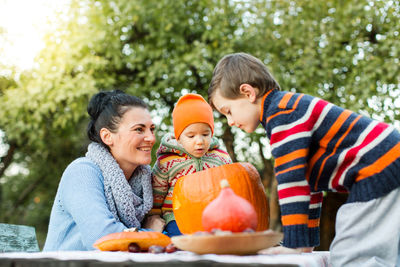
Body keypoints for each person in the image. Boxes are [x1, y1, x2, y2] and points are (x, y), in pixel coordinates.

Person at [207, 52, 400, 266]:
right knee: (379, 251)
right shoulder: (285, 110)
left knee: (351, 257)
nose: (231, 121)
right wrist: (305, 244)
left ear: (247, 93)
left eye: (228, 111)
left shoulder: (283, 114)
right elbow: (310, 184)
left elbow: (292, 181)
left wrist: (292, 243)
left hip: (379, 165)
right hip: (387, 160)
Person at [43, 90, 163, 251]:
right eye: (139, 130)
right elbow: (101, 238)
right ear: (107, 137)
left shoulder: (145, 182)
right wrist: (151, 233)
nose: (151, 138)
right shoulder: (82, 172)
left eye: (152, 129)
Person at [147, 93, 232, 237]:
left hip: (214, 215)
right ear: (178, 138)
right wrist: (154, 215)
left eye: (205, 134)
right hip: (177, 216)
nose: (199, 141)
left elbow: (232, 184)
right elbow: (157, 192)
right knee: (180, 240)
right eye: (191, 136)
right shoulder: (167, 162)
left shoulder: (220, 158)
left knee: (222, 241)